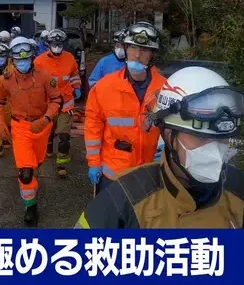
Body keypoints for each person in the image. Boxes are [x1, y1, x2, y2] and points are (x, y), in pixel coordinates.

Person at [76, 66, 244, 229]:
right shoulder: (125, 197)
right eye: (200, 136)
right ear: (169, 134)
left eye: (221, 139)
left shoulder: (238, 190)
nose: (214, 152)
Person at [84, 22, 167, 195]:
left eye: (144, 50)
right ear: (126, 49)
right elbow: (93, 127)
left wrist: (166, 151)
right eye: (133, 48)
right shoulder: (105, 87)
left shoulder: (165, 89)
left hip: (149, 172)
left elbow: (172, 129)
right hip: (112, 174)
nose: (137, 55)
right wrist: (93, 163)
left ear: (152, 54)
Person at [0, 36, 63, 225]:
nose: (22, 63)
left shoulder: (45, 76)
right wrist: (1, 122)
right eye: (18, 60)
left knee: (37, 164)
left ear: (32, 58)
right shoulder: (5, 79)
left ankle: (32, 180)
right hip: (20, 126)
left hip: (42, 125)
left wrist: (47, 118)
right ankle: (30, 207)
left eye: (25, 59)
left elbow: (57, 99)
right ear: (12, 60)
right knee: (26, 172)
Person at [34, 29, 81, 177]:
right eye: (54, 43)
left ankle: (62, 163)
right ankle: (48, 147)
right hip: (47, 104)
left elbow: (74, 75)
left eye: (60, 44)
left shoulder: (70, 58)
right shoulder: (39, 61)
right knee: (48, 131)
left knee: (64, 135)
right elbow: (34, 81)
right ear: (48, 44)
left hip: (66, 102)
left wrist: (77, 87)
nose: (57, 46)